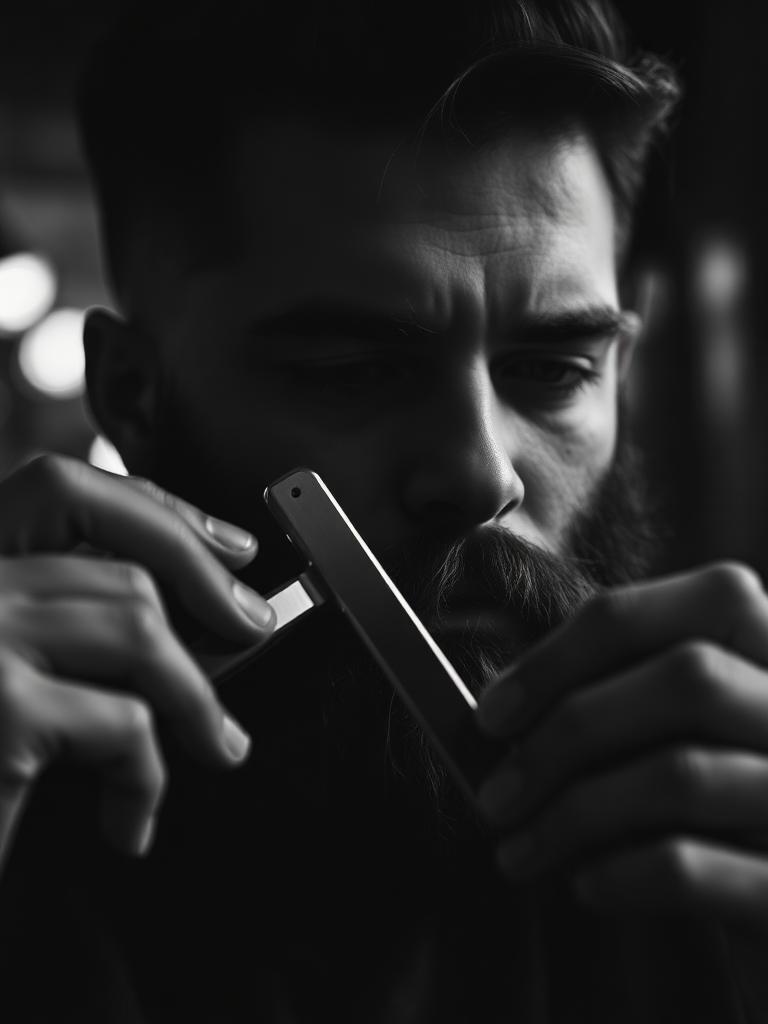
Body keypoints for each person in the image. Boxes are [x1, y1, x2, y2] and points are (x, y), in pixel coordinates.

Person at [1, 0, 767, 1020]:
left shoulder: (717, 880)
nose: (482, 476)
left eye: (553, 369)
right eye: (350, 370)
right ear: (133, 397)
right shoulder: (31, 869)